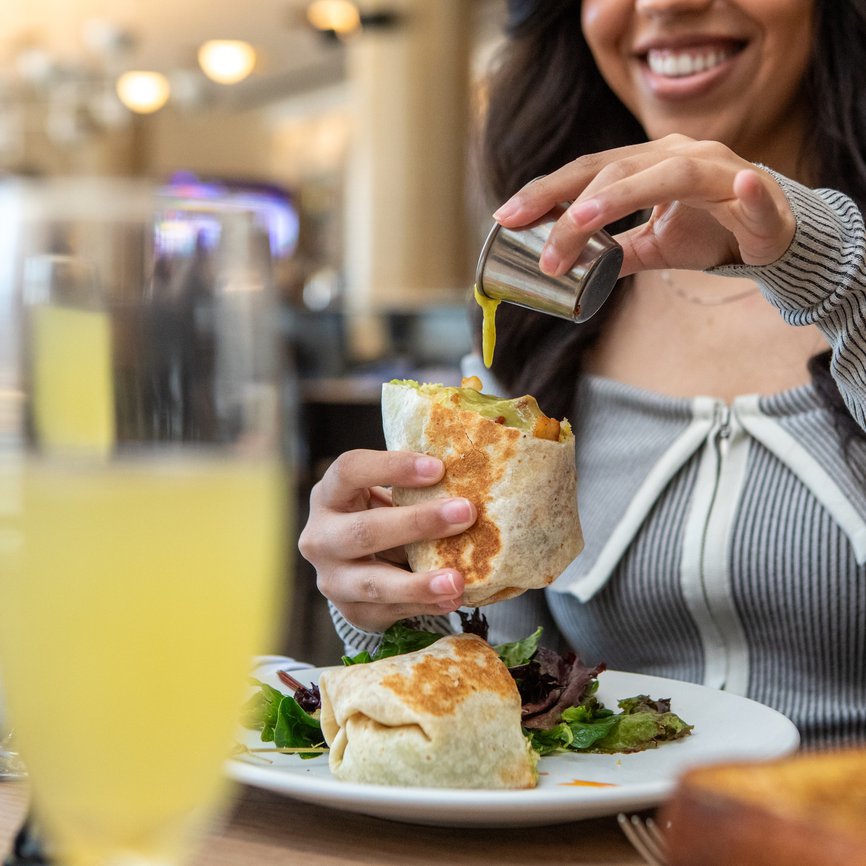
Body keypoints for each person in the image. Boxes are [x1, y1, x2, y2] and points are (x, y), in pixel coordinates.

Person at [299, 0, 866, 749]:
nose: (665, 5)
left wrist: (824, 262)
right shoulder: (545, 311)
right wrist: (399, 597)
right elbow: (506, 699)